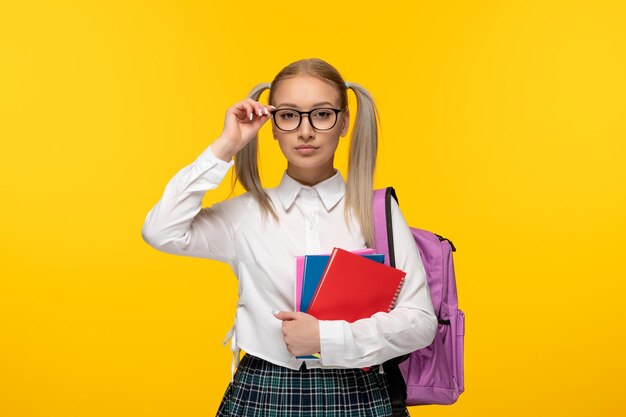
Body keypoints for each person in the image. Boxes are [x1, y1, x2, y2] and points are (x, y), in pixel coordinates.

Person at [141, 57, 437, 417]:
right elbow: (160, 230)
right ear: (273, 125)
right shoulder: (244, 215)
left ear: (344, 122)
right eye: (289, 115)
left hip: (357, 392)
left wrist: (326, 339)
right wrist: (225, 146)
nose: (306, 131)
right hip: (264, 389)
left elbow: (420, 323)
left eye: (322, 114)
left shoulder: (377, 212)